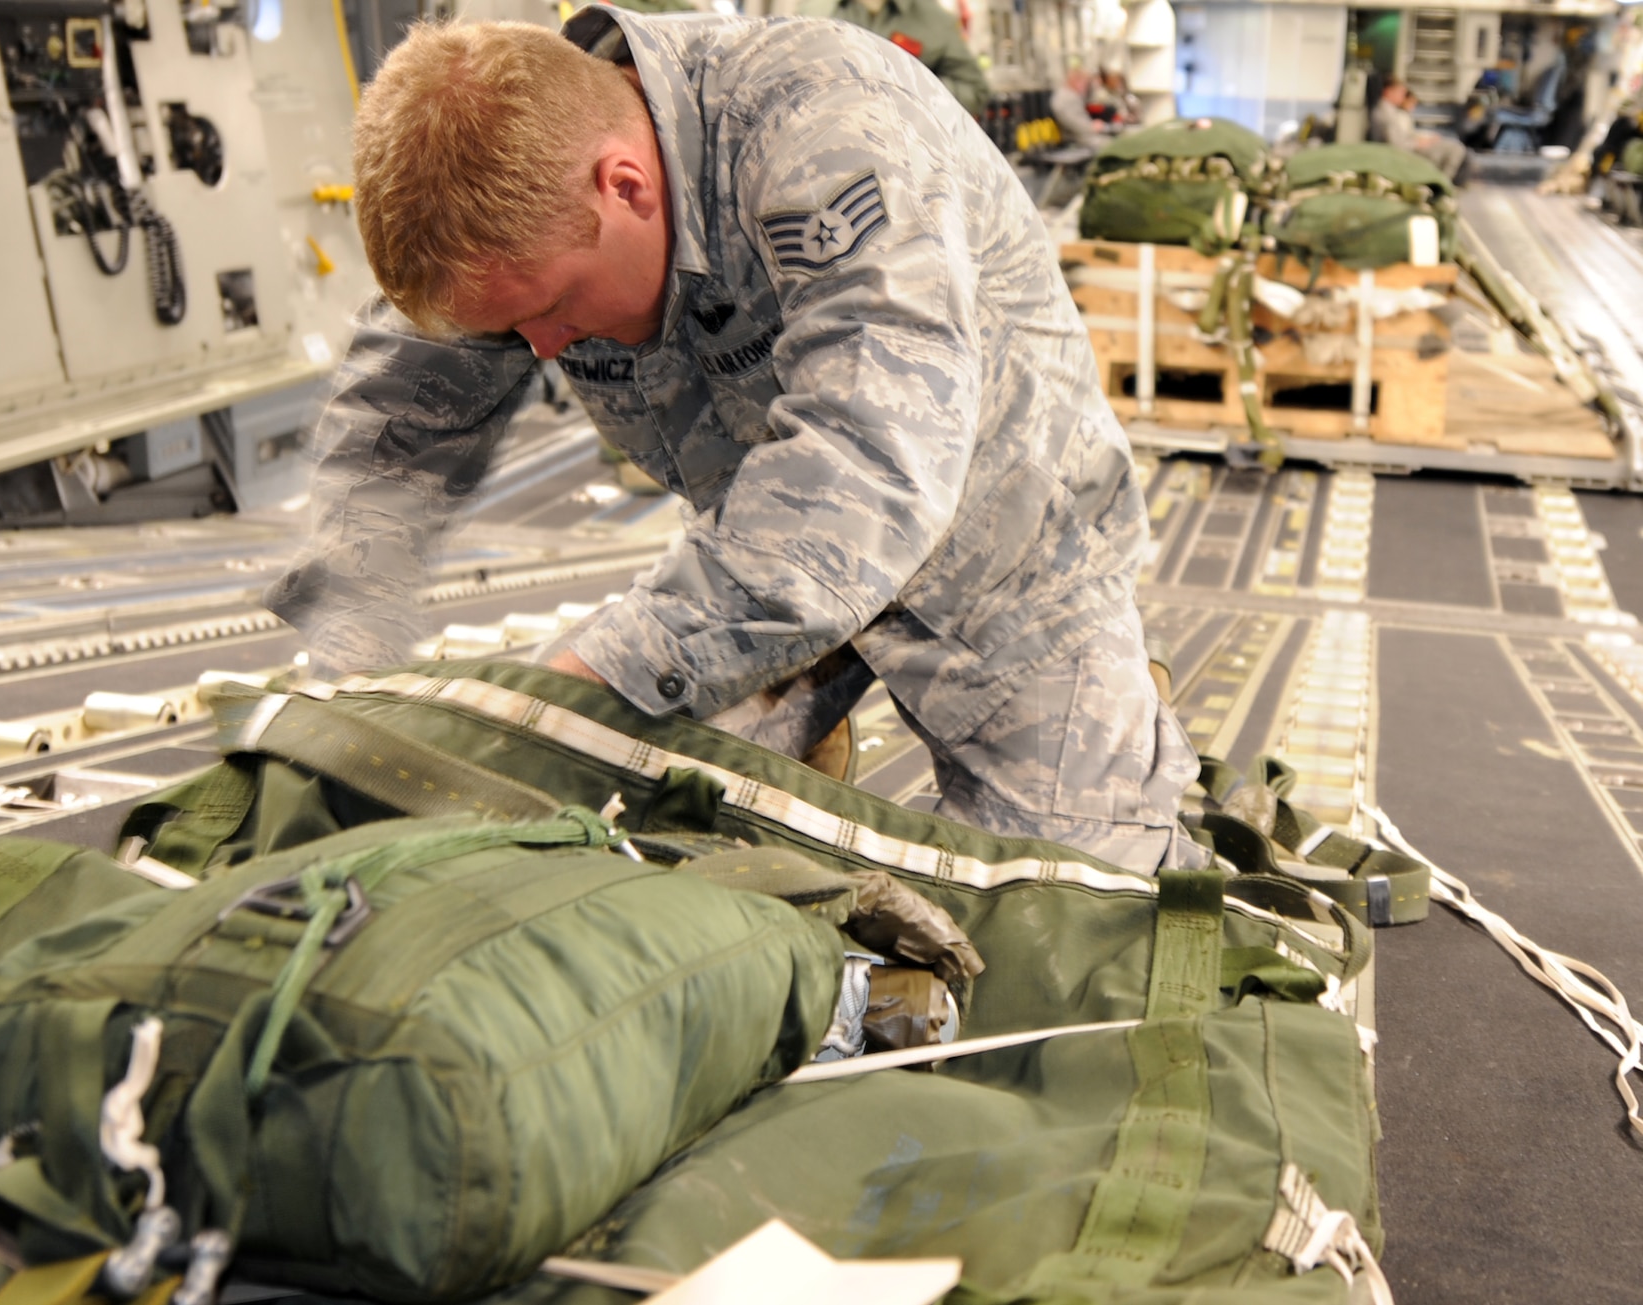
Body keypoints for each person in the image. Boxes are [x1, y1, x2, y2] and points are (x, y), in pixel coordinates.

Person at [265, 11, 1205, 870]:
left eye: (553, 310)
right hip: (758, 548)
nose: (543, 349)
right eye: (514, 332)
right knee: (586, 834)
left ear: (624, 185)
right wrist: (350, 676)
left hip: (1003, 565)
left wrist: (581, 681)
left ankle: (1115, 733)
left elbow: (864, 469)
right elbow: (390, 442)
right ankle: (799, 751)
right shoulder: (518, 207)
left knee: (1067, 921)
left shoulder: (825, 129)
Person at [799, 0, 987, 116]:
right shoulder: (815, 11)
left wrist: (913, 89)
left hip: (908, 156)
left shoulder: (933, 19)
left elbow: (975, 91)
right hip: (829, 145)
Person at [1370, 79, 1467, 181]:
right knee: (1456, 150)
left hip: (1409, 146)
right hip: (1406, 151)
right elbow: (1396, 145)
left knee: (1455, 148)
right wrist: (1418, 143)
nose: (1402, 97)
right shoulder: (1385, 114)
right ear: (1387, 91)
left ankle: (1443, 181)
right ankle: (1443, 181)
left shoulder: (1390, 110)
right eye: (1399, 92)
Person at [1050, 63, 1112, 147]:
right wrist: (1092, 127)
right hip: (1076, 141)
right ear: (1076, 81)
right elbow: (1077, 126)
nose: (1086, 88)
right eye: (1085, 83)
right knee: (1113, 144)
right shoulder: (1067, 98)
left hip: (1081, 137)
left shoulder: (1070, 96)